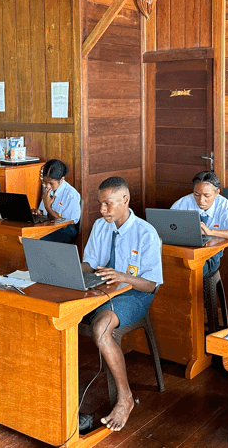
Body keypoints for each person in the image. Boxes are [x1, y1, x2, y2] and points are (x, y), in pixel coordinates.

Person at [81, 176, 162, 433]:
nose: (102, 210)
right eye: (100, 204)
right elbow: (90, 264)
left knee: (101, 327)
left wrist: (122, 277)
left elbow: (152, 285)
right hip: (101, 288)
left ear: (125, 199)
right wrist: (68, 268)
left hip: (134, 294)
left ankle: (125, 398)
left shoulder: (146, 233)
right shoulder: (99, 225)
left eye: (108, 204)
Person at [171, 171, 228, 276]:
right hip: (185, 250)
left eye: (207, 195)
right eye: (196, 194)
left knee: (197, 269)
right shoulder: (182, 203)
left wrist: (210, 232)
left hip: (211, 253)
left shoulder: (224, 205)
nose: (201, 201)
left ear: (217, 192)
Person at [34, 159, 82, 243]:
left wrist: (48, 207)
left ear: (62, 179)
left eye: (51, 183)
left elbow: (64, 224)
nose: (47, 186)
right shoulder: (49, 190)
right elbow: (44, 213)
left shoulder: (71, 195)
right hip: (48, 226)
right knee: (26, 237)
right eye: (45, 182)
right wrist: (39, 212)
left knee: (38, 240)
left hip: (66, 230)